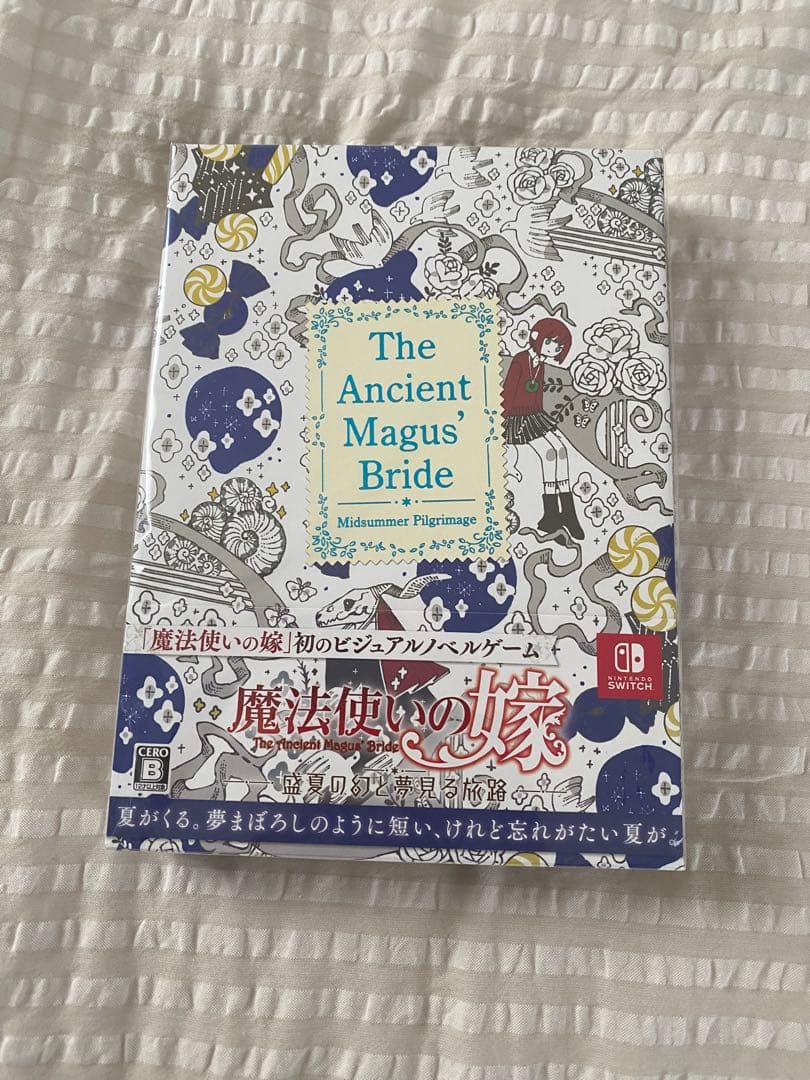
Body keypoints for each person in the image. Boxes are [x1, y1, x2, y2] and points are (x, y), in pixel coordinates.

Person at [502, 316, 584, 540]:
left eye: (558, 346)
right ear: (537, 338)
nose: (554, 348)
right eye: (550, 342)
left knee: (561, 451)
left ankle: (567, 512)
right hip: (516, 418)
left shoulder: (541, 365)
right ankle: (551, 514)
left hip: (534, 415)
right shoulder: (520, 360)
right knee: (549, 452)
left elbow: (537, 395)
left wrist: (541, 419)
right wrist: (502, 422)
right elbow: (508, 392)